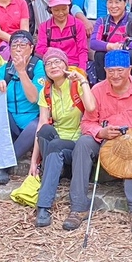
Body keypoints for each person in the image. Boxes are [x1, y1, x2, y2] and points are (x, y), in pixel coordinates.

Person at [64, 50, 132, 236]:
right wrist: (100, 132)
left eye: (120, 70)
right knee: (83, 143)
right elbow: (87, 123)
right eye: (111, 71)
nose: (115, 75)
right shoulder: (98, 90)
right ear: (104, 70)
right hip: (105, 140)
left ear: (129, 69)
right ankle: (79, 207)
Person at [31, 47, 97, 227]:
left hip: (77, 144)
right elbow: (43, 123)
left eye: (57, 62)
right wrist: (34, 160)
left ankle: (43, 206)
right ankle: (53, 170)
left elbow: (91, 108)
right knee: (44, 132)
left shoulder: (76, 84)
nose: (53, 66)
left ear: (66, 65)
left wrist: (83, 80)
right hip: (56, 143)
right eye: (49, 63)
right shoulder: (46, 90)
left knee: (57, 145)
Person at [0, 30, 47, 186]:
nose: (18, 49)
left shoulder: (38, 67)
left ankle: (5, 164)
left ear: (31, 48)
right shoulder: (3, 70)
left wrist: (22, 71)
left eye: (22, 45)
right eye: (14, 45)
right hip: (11, 121)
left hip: (31, 118)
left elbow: (34, 98)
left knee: (38, 126)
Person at [88, 0, 132, 82]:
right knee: (99, 54)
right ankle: (101, 84)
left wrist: (121, 46)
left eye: (117, 2)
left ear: (125, 2)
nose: (113, 6)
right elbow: (93, 43)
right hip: (110, 57)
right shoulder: (102, 21)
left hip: (129, 57)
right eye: (110, 2)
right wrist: (110, 46)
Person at [36, 0, 88, 70]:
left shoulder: (78, 25)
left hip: (74, 65)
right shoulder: (44, 27)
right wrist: (54, 52)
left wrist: (81, 70)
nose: (61, 13)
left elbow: (82, 50)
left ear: (69, 7)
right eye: (56, 10)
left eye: (64, 9)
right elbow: (40, 49)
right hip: (53, 66)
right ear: (50, 10)